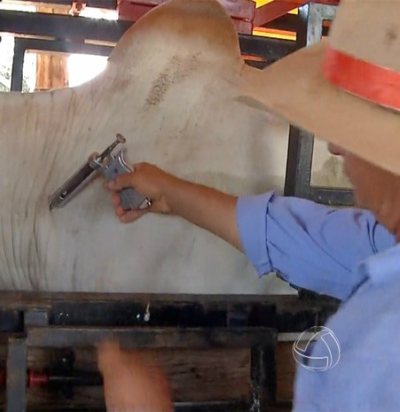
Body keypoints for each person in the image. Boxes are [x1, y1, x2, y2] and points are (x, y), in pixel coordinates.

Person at [97, 0, 400, 410]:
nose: (335, 145)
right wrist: (170, 192)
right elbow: (299, 237)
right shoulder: (382, 243)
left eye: (351, 126)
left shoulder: (379, 349)